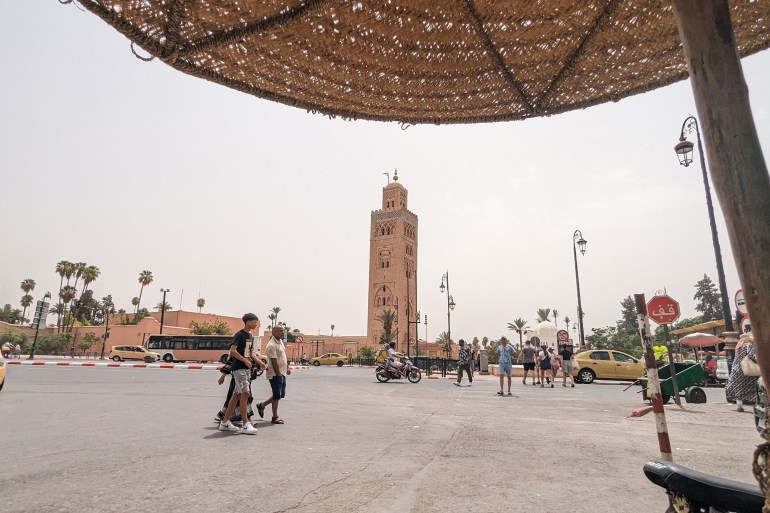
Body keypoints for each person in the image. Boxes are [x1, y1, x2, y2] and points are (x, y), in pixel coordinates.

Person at [219, 313, 263, 434]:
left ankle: (225, 422)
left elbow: (251, 353)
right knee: (245, 393)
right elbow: (233, 351)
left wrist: (260, 363)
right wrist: (245, 361)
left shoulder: (250, 335)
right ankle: (245, 424)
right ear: (248, 322)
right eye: (254, 322)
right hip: (239, 369)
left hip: (246, 369)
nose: (256, 324)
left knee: (237, 395)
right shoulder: (240, 335)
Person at [257, 325, 291, 424]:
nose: (282, 333)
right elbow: (274, 361)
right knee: (277, 395)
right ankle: (275, 417)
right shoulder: (271, 345)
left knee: (280, 394)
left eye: (283, 331)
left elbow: (283, 356)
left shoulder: (280, 342)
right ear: (274, 332)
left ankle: (262, 405)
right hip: (275, 374)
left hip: (282, 372)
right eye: (280, 331)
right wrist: (278, 374)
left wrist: (287, 368)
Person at [726, 333, 759, 412]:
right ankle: (757, 404)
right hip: (745, 370)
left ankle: (739, 406)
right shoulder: (749, 346)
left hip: (736, 370)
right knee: (752, 387)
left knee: (738, 388)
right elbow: (752, 356)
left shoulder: (739, 346)